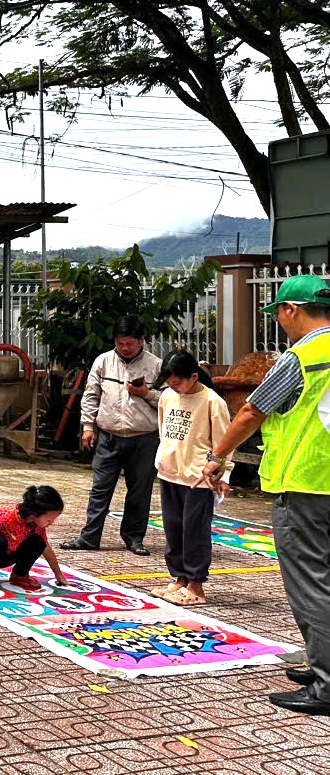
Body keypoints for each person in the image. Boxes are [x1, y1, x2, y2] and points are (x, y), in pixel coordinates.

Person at [200, 275, 330, 716]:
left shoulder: (301, 358)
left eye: (277, 311)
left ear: (293, 310)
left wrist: (217, 454)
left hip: (305, 483)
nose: (277, 320)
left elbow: (253, 410)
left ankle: (327, 683)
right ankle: (320, 664)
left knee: (311, 583)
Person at [60, 315, 163, 556]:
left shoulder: (155, 365)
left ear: (142, 341)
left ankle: (134, 538)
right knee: (100, 489)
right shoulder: (103, 361)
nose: (125, 348)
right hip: (108, 435)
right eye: (120, 343)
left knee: (140, 490)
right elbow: (91, 395)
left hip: (145, 437)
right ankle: (89, 537)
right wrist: (88, 426)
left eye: (130, 343)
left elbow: (168, 400)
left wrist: (146, 393)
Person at [149, 351, 233, 606]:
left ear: (194, 376)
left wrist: (224, 474)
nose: (174, 388)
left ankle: (196, 585)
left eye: (178, 383)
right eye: (170, 383)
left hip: (199, 477)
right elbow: (164, 431)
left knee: (194, 531)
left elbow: (224, 441)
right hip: (170, 471)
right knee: (173, 527)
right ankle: (179, 578)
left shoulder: (212, 401)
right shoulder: (167, 396)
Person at [0, 486, 69, 592]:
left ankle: (19, 575)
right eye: (49, 519)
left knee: (38, 542)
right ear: (35, 513)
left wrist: (58, 575)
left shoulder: (37, 526)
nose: (51, 523)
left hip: (9, 556)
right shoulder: (6, 517)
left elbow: (46, 549)